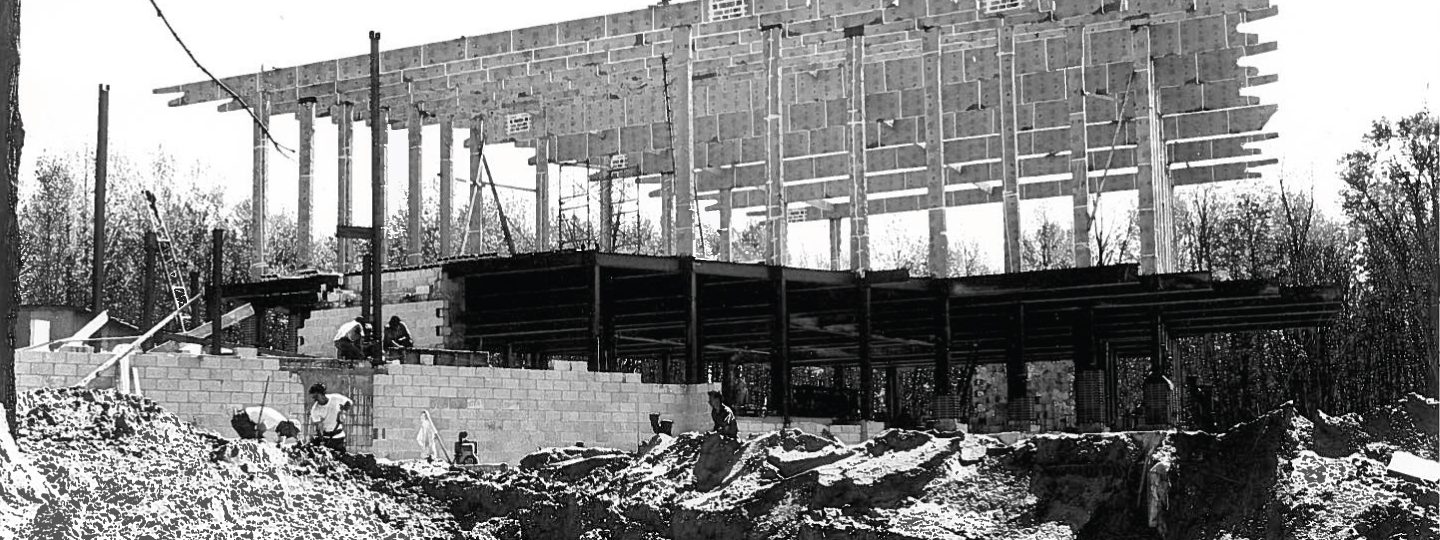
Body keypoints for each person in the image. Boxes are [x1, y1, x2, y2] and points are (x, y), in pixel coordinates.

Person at [308, 383, 353, 453]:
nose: (315, 399)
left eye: (316, 396)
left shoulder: (335, 398)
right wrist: (321, 441)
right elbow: (319, 428)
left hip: (339, 437)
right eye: (314, 398)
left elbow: (349, 402)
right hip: (327, 439)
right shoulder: (315, 410)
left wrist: (343, 410)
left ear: (322, 393)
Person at [230, 405, 301, 445]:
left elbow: (281, 434)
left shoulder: (280, 420)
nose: (285, 435)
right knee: (258, 441)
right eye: (287, 433)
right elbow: (260, 429)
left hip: (243, 419)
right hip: (241, 419)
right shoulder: (274, 419)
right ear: (286, 427)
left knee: (255, 439)